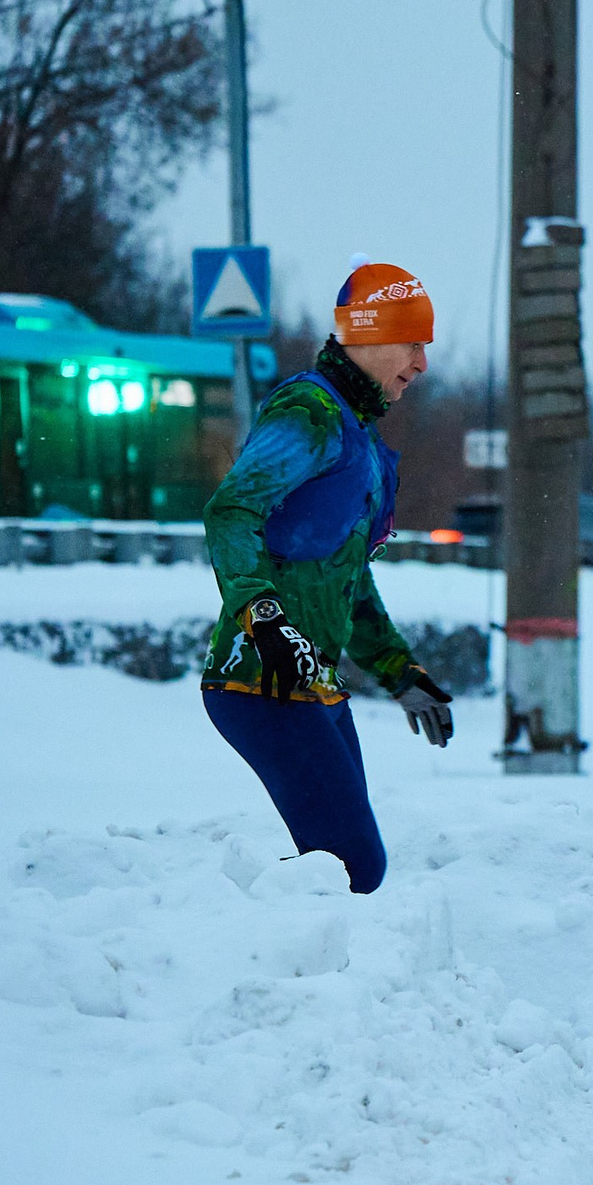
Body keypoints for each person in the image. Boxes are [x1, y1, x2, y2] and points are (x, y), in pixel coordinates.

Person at [199, 260, 455, 894]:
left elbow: (347, 574)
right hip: (258, 681)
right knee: (352, 867)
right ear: (367, 335)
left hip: (311, 679)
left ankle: (321, 976)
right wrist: (266, 623)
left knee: (346, 865)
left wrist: (400, 672)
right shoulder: (309, 413)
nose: (421, 363)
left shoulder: (355, 433)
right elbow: (231, 512)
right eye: (412, 343)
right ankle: (237, 948)